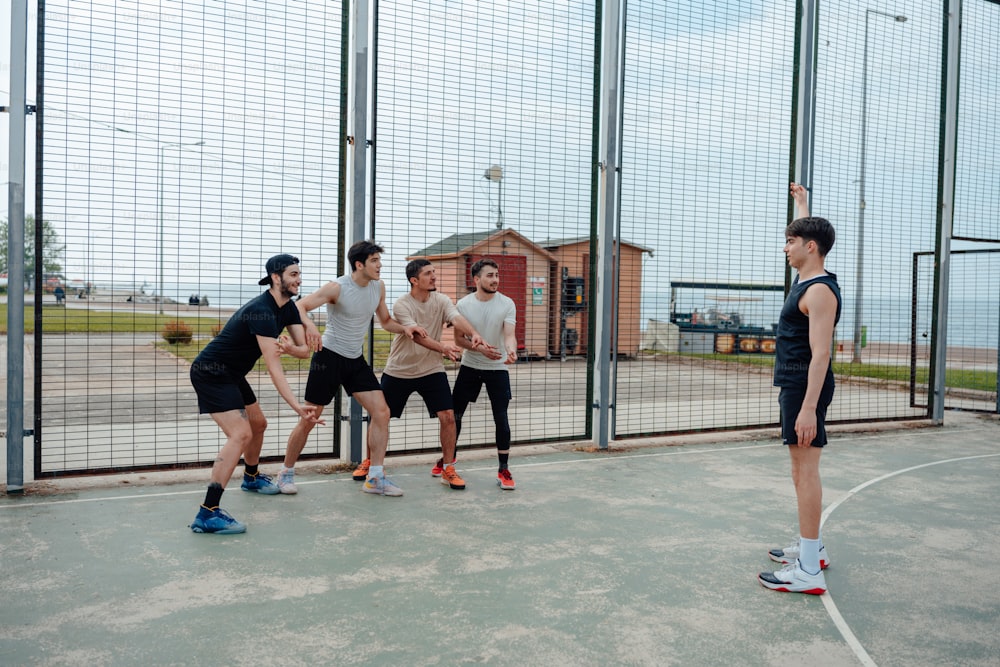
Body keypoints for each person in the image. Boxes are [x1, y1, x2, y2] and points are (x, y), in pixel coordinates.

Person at [277, 240, 426, 497]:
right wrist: (311, 327)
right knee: (309, 418)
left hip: (355, 360)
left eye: (380, 260)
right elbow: (298, 306)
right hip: (329, 357)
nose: (380, 266)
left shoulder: (378, 287)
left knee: (381, 412)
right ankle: (285, 473)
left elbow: (386, 321)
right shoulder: (337, 287)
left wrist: (406, 328)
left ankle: (376, 477)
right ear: (359, 264)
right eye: (375, 261)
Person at [188, 254, 323, 534]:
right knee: (241, 434)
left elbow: (303, 350)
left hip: (232, 374)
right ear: (277, 278)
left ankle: (250, 478)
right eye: (294, 275)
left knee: (258, 424)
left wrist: (289, 348)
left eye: (299, 274)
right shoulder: (261, 311)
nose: (299, 279)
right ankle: (208, 512)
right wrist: (297, 405)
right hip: (211, 373)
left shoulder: (287, 308)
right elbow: (274, 369)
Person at [758, 183, 842, 594]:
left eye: (790, 242)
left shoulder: (820, 290)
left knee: (805, 471)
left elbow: (821, 354)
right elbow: (811, 234)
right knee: (799, 470)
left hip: (804, 387)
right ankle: (814, 548)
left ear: (810, 247)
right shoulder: (808, 280)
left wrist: (808, 407)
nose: (785, 248)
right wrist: (803, 206)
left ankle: (809, 569)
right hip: (796, 384)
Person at [381, 259, 491, 490]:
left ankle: (448, 468)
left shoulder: (441, 300)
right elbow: (416, 335)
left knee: (448, 416)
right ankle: (373, 464)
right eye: (428, 273)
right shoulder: (402, 304)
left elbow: (455, 318)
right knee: (381, 418)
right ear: (414, 280)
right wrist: (444, 349)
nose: (434, 277)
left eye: (434, 272)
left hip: (431, 370)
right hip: (399, 370)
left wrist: (474, 333)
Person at [451, 258, 519, 490]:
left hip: (497, 368)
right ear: (476, 279)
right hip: (470, 366)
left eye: (497, 275)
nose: (495, 279)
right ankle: (448, 461)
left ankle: (503, 468)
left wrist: (510, 350)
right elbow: (459, 340)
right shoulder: (463, 304)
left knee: (501, 416)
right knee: (455, 415)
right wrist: (478, 348)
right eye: (489, 275)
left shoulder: (507, 303)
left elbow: (509, 335)